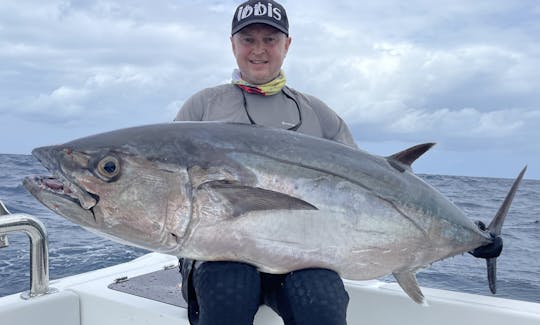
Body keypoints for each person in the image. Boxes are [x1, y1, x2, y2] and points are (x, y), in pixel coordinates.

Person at [175, 1, 355, 324]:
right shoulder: (202, 108)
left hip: (297, 255)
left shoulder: (318, 115)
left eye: (270, 39)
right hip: (217, 254)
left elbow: (365, 185)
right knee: (229, 290)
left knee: (322, 302)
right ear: (232, 44)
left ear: (287, 45)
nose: (259, 49)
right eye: (248, 39)